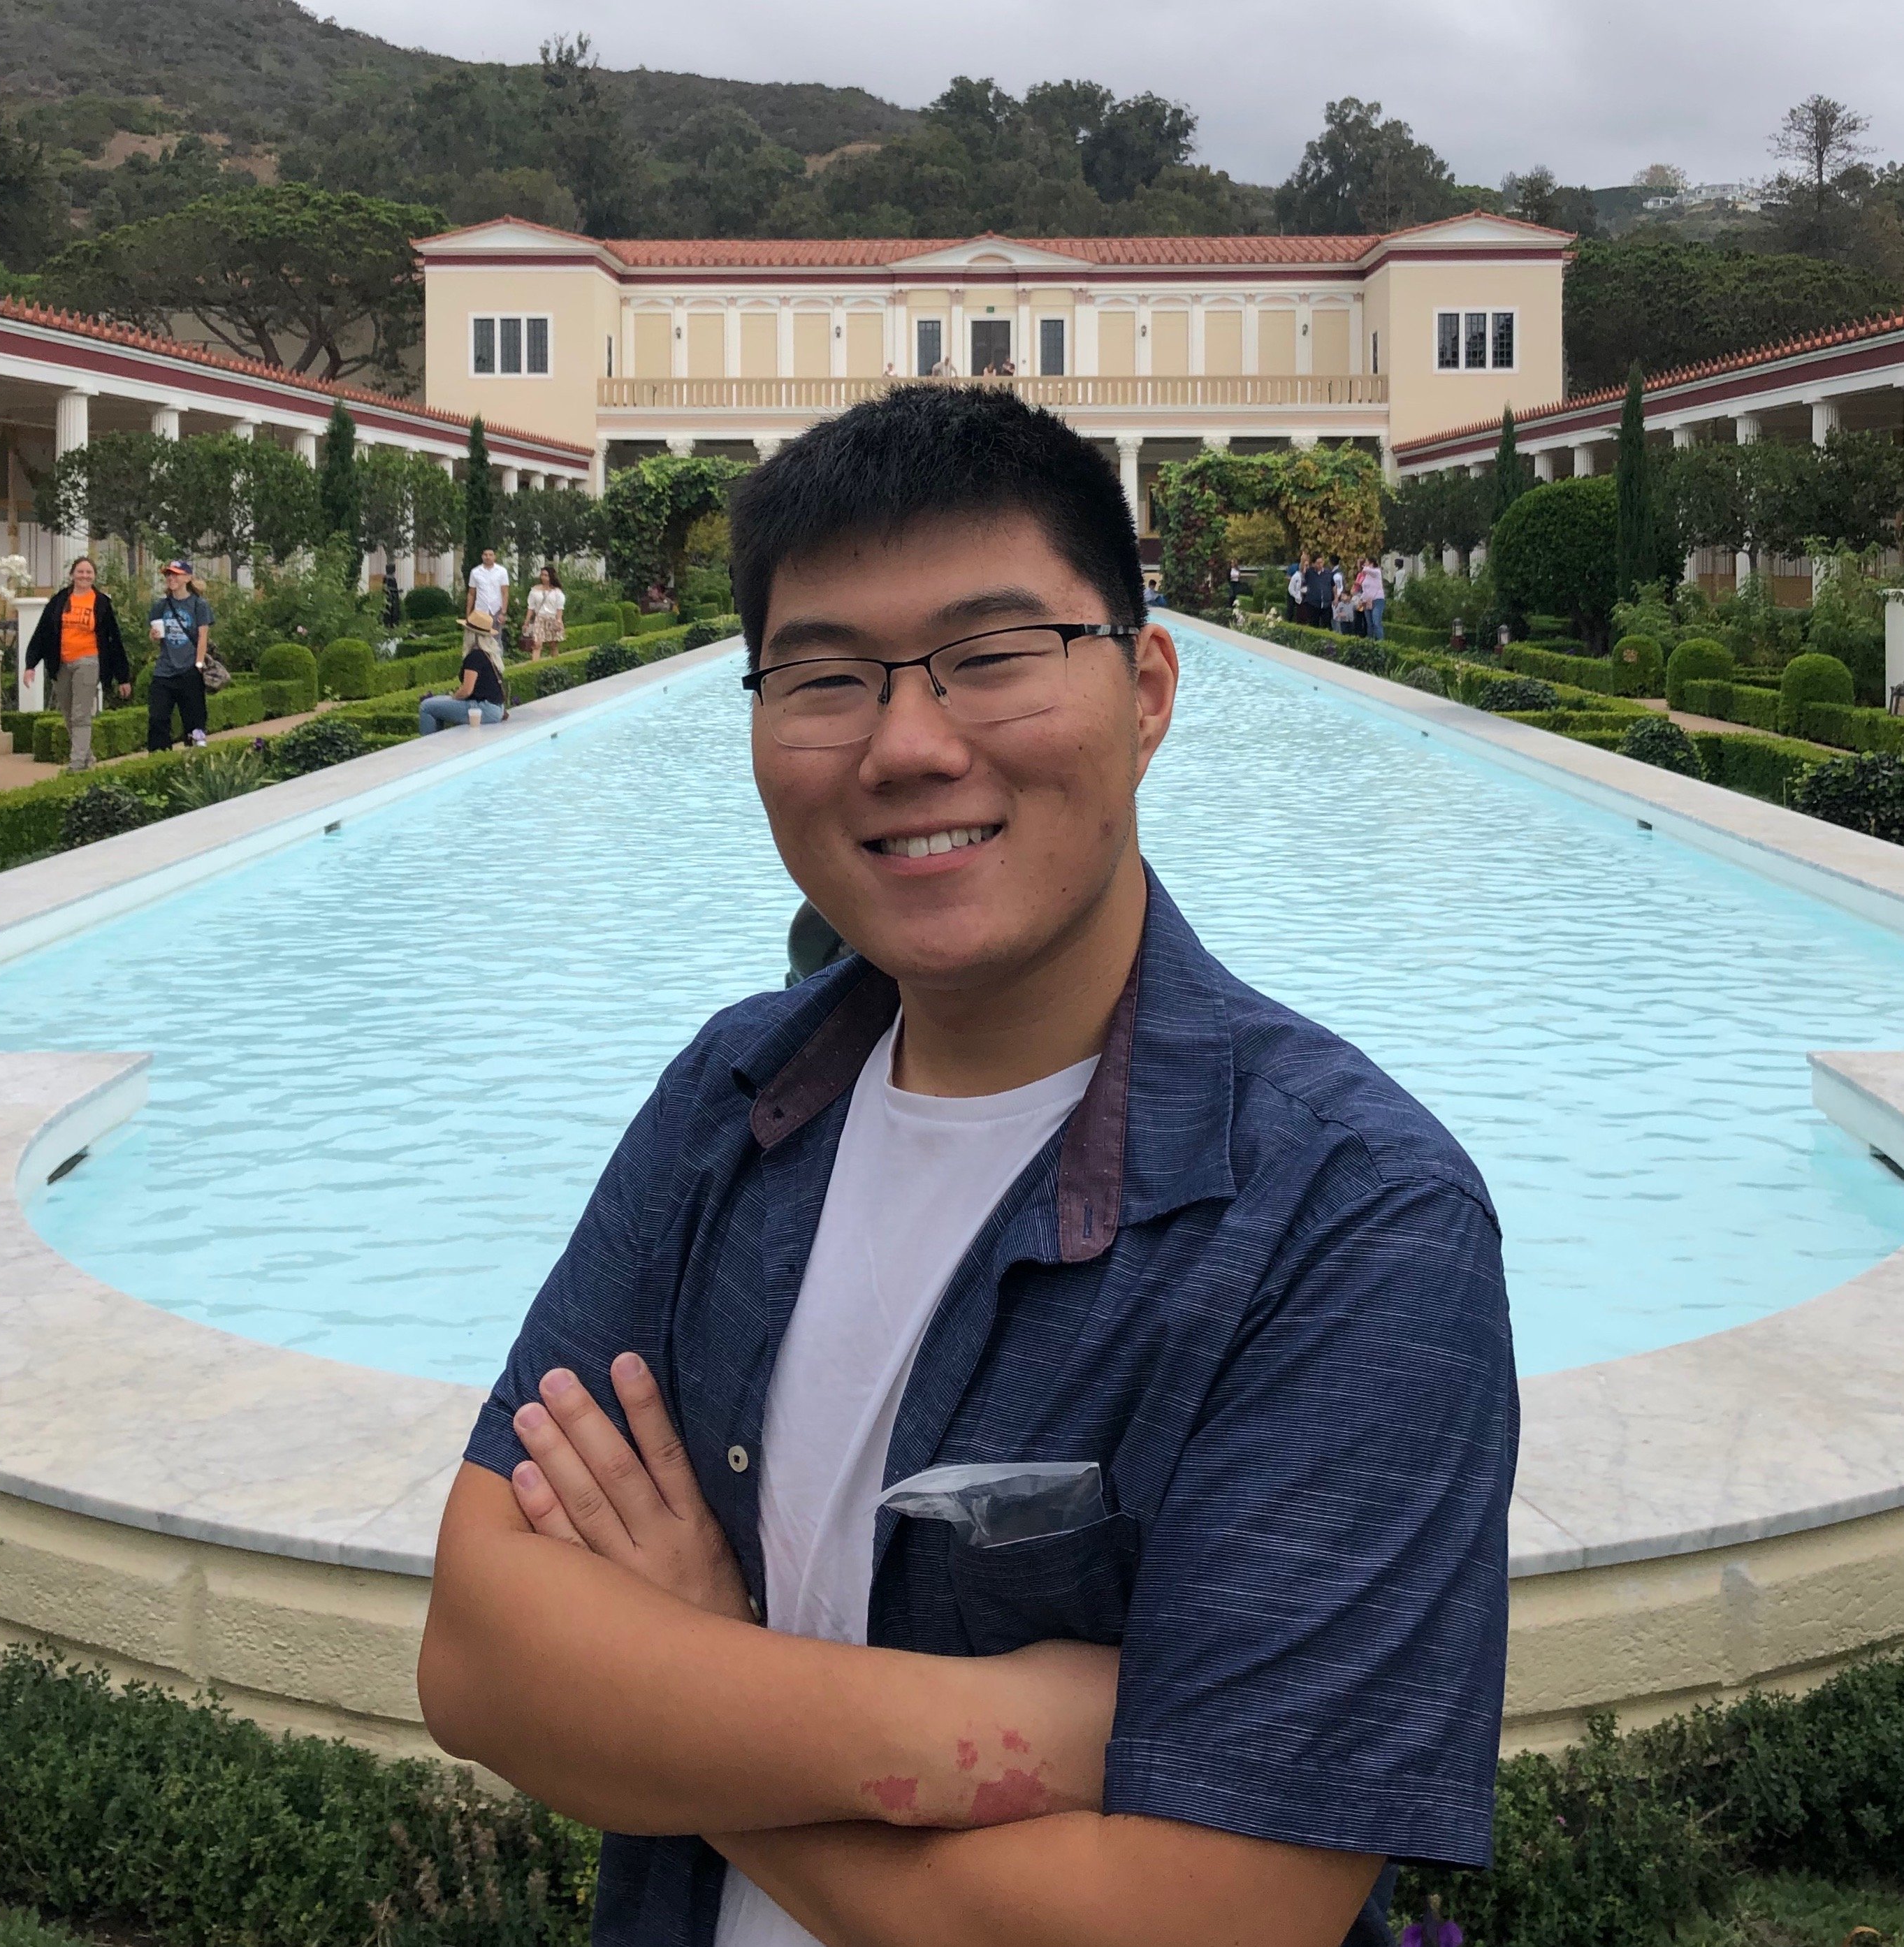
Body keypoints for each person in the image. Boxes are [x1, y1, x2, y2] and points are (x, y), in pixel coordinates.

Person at [419, 385, 1515, 1947]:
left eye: (990, 658)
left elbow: (1202, 1919)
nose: (906, 745)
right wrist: (1015, 1731)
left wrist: (681, 1676)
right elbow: (476, 1653)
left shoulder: (1350, 1219)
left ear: (1144, 687)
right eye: (822, 678)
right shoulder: (731, 1092)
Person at [22, 555, 131, 772]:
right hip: (61, 662)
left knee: (81, 714)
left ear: (94, 577)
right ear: (72, 575)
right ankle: (87, 757)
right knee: (68, 714)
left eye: (89, 572)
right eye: (80, 572)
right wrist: (30, 665)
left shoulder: (101, 603)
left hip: (88, 661)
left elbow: (114, 640)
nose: (84, 576)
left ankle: (76, 764)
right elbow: (43, 633)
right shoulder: (59, 601)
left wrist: (123, 677)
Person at [146, 560, 212, 751]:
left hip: (189, 670)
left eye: (176, 574)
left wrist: (199, 665)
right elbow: (154, 635)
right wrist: (153, 635)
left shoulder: (199, 604)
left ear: (188, 578)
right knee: (158, 718)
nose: (171, 578)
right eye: (168, 575)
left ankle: (197, 753)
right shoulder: (161, 605)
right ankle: (159, 759)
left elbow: (203, 636)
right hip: (164, 671)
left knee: (195, 721)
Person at [420, 620, 506, 733]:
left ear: (471, 635)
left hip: (483, 709)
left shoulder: (475, 656)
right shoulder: (489, 654)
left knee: (426, 706)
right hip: (497, 708)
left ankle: (429, 746)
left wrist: (454, 697)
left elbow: (467, 690)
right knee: (437, 702)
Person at [467, 548, 510, 655]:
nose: (488, 557)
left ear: (494, 556)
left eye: (490, 555)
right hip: (481, 611)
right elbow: (472, 593)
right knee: (479, 640)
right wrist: (468, 613)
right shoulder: (475, 572)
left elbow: (505, 593)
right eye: (485, 554)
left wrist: (503, 612)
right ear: (482, 556)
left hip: (496, 610)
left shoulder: (502, 571)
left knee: (495, 639)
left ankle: (497, 666)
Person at [523, 564, 566, 661]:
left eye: (546, 575)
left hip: (552, 618)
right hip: (540, 618)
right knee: (537, 644)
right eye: (542, 575)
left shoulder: (557, 592)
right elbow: (531, 607)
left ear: (551, 577)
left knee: (553, 644)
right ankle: (535, 666)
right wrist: (527, 622)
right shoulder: (535, 590)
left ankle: (555, 664)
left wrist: (558, 620)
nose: (543, 577)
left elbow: (560, 608)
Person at [1354, 556, 1386, 640]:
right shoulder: (1367, 576)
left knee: (1376, 622)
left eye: (1367, 562)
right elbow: (1365, 589)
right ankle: (1370, 642)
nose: (1365, 564)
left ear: (1371, 563)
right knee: (1369, 623)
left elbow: (1367, 570)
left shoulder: (1377, 572)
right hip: (1367, 601)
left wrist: (1364, 567)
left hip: (1377, 600)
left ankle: (1381, 642)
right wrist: (1361, 600)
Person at [1286, 553, 1307, 624]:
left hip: (1303, 596)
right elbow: (1289, 579)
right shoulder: (1294, 569)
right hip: (1295, 593)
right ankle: (1289, 621)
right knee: (1291, 608)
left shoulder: (1307, 575)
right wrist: (1296, 595)